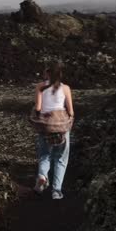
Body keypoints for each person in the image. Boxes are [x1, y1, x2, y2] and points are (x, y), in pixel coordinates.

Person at [32, 62, 74, 199]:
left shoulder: (40, 86)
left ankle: (42, 176)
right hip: (61, 126)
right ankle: (56, 191)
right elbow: (71, 111)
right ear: (59, 74)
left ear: (47, 73)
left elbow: (38, 108)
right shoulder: (66, 88)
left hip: (45, 126)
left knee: (45, 155)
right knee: (61, 159)